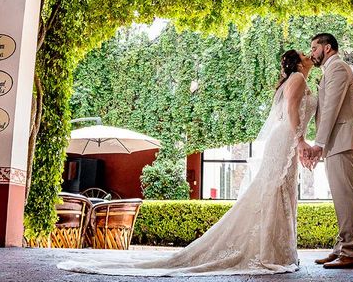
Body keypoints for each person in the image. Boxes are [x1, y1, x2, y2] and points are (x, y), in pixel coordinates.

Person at [58, 49, 316, 277]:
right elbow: (293, 111)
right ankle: (269, 251)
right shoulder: (298, 78)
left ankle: (276, 250)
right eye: (305, 54)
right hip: (286, 140)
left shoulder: (298, 80)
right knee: (273, 191)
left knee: (279, 191)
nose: (308, 54)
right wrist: (301, 140)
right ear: (297, 64)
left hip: (286, 140)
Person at [302, 33, 353, 269]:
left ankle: (351, 251)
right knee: (341, 195)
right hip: (337, 141)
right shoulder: (330, 69)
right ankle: (341, 247)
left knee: (345, 195)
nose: (311, 53)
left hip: (343, 139)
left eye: (314, 47)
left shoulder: (338, 67)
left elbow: (331, 108)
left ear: (327, 47)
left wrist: (318, 143)